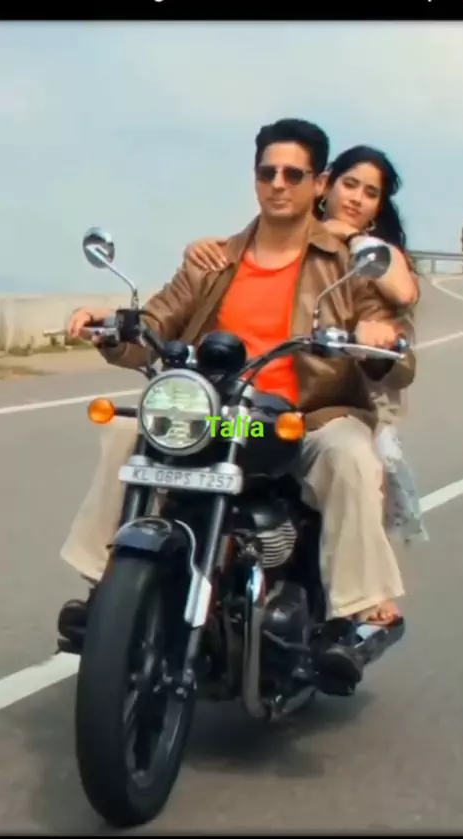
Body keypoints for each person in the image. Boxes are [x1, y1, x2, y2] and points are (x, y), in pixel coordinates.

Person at [58, 118, 416, 683]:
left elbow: (394, 343)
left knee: (349, 454)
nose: (278, 184)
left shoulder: (346, 263)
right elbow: (156, 321)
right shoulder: (214, 259)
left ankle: (357, 614)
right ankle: (107, 588)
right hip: (223, 420)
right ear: (255, 177)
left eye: (293, 174)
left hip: (303, 420)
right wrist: (112, 328)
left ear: (318, 183)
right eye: (267, 172)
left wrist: (379, 339)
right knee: (128, 430)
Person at [181, 145, 428, 545]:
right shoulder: (288, 237)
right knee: (146, 436)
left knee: (355, 471)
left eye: (370, 193)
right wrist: (208, 250)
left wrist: (352, 239)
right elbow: (249, 252)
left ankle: (358, 579)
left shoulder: (368, 255)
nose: (356, 198)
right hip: (251, 403)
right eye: (349, 185)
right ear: (325, 186)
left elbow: (404, 292)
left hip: (350, 395)